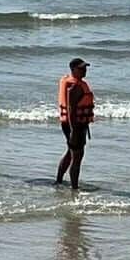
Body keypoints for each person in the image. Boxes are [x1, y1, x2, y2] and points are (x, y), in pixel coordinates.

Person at [56, 57, 95, 190]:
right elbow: (72, 110)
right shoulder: (74, 87)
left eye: (85, 68)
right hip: (75, 125)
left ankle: (59, 181)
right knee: (77, 156)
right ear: (73, 69)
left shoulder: (77, 83)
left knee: (70, 152)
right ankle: (74, 188)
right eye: (81, 68)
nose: (84, 71)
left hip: (75, 124)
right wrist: (73, 131)